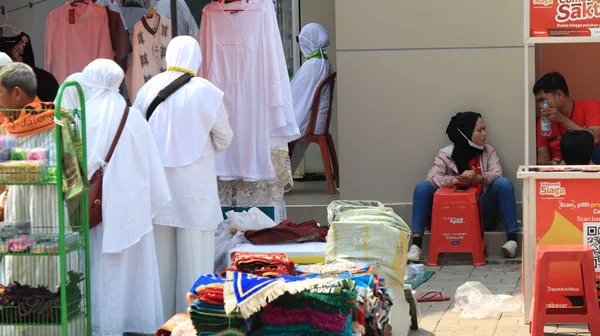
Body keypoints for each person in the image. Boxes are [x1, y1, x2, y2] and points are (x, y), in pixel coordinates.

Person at [133, 36, 233, 318]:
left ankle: (162, 320)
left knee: (161, 262)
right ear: (197, 58)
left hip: (158, 187)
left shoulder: (148, 89)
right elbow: (225, 137)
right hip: (195, 187)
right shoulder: (208, 91)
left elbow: (137, 133)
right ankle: (195, 319)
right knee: (195, 258)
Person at [77, 59, 171, 335]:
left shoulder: (79, 116)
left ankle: (93, 324)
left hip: (88, 213)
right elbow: (151, 168)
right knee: (129, 271)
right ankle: (130, 322)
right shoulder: (133, 118)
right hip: (129, 214)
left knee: (91, 268)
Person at [408, 112, 520, 261]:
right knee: (422, 188)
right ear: (466, 133)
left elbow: (497, 173)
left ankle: (512, 241)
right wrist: (455, 180)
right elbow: (432, 178)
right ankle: (416, 246)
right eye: (479, 130)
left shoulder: (487, 151)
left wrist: (478, 178)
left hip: (479, 212)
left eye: (484, 129)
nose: (484, 134)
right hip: (450, 215)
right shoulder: (446, 155)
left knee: (503, 183)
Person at [289, 22, 334, 175]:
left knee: (269, 128)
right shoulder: (322, 62)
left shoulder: (312, 65)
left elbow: (295, 96)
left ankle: (271, 180)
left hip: (310, 122)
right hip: (317, 120)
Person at [534, 72, 600, 165]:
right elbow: (542, 161)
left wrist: (562, 120)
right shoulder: (543, 121)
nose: (541, 106)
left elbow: (595, 139)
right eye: (538, 102)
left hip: (589, 168)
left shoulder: (590, 107)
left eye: (543, 100)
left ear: (559, 95)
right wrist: (554, 164)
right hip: (560, 173)